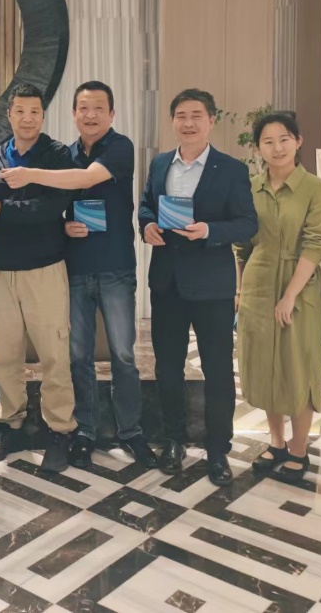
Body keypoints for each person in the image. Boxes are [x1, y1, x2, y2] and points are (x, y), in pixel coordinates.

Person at [0, 81, 154, 470]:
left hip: (116, 268)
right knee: (78, 356)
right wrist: (65, 225)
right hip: (74, 268)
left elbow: (84, 180)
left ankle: (131, 431)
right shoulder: (65, 154)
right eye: (83, 108)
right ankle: (84, 431)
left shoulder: (120, 147)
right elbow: (58, 205)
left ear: (112, 114)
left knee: (123, 355)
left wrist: (29, 174)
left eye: (99, 108)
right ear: (73, 113)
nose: (90, 115)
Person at [137, 88, 257, 487]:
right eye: (181, 116)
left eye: (196, 116)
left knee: (218, 370)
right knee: (168, 368)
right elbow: (145, 204)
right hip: (167, 283)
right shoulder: (159, 164)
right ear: (172, 121)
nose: (188, 123)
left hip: (212, 287)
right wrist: (146, 225)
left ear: (211, 121)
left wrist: (209, 231)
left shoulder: (231, 169)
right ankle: (173, 440)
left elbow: (247, 223)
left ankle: (218, 449)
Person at [0, 82, 77, 473]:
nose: (28, 119)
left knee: (54, 354)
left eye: (35, 112)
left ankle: (60, 430)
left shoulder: (57, 155)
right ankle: (11, 424)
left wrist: (2, 210)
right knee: (5, 354)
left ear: (43, 115)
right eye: (20, 111)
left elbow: (52, 207)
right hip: (1, 270)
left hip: (45, 268)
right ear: (9, 115)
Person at [234, 112, 321, 484]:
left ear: (298, 141)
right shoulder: (250, 187)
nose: (276, 148)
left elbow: (317, 244)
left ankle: (298, 448)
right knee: (262, 365)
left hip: (301, 286)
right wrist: (239, 290)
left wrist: (290, 295)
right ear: (257, 148)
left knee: (298, 367)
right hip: (257, 285)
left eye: (284, 139)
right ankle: (276, 442)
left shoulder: (316, 189)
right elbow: (241, 245)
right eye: (268, 142)